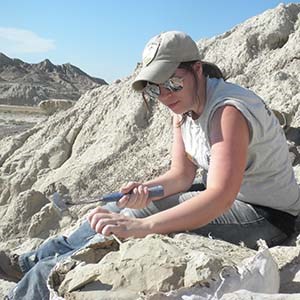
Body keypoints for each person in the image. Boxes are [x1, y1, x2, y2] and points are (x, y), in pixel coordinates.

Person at [1, 30, 300, 299]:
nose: (165, 95)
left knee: (134, 219)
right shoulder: (183, 109)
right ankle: (33, 261)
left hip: (267, 215)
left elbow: (220, 195)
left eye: (172, 82)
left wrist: (143, 226)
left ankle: (40, 280)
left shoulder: (228, 112)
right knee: (117, 207)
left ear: (197, 69)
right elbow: (181, 176)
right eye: (155, 88)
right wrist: (145, 189)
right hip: (232, 197)